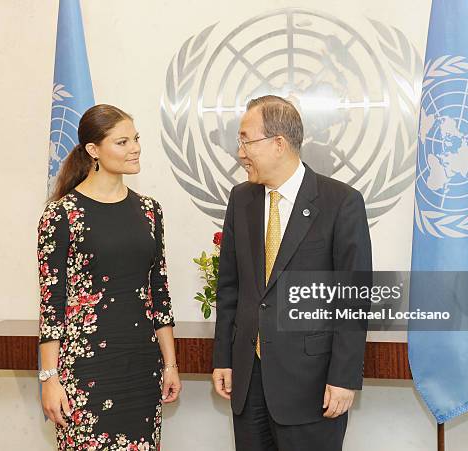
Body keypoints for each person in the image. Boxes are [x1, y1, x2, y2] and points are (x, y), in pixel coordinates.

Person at [212, 95, 372, 451]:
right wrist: (223, 357)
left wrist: (344, 378)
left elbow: (353, 300)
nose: (240, 153)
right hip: (249, 383)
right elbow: (230, 288)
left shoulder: (341, 202)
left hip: (311, 386)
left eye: (245, 140)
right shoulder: (241, 200)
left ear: (279, 143)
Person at [37, 104, 181, 450]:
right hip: (85, 369)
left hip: (142, 367)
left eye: (136, 138)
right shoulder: (61, 214)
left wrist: (170, 364)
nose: (135, 148)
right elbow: (51, 304)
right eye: (122, 142)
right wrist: (49, 379)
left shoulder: (150, 210)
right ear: (93, 151)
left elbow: (159, 293)